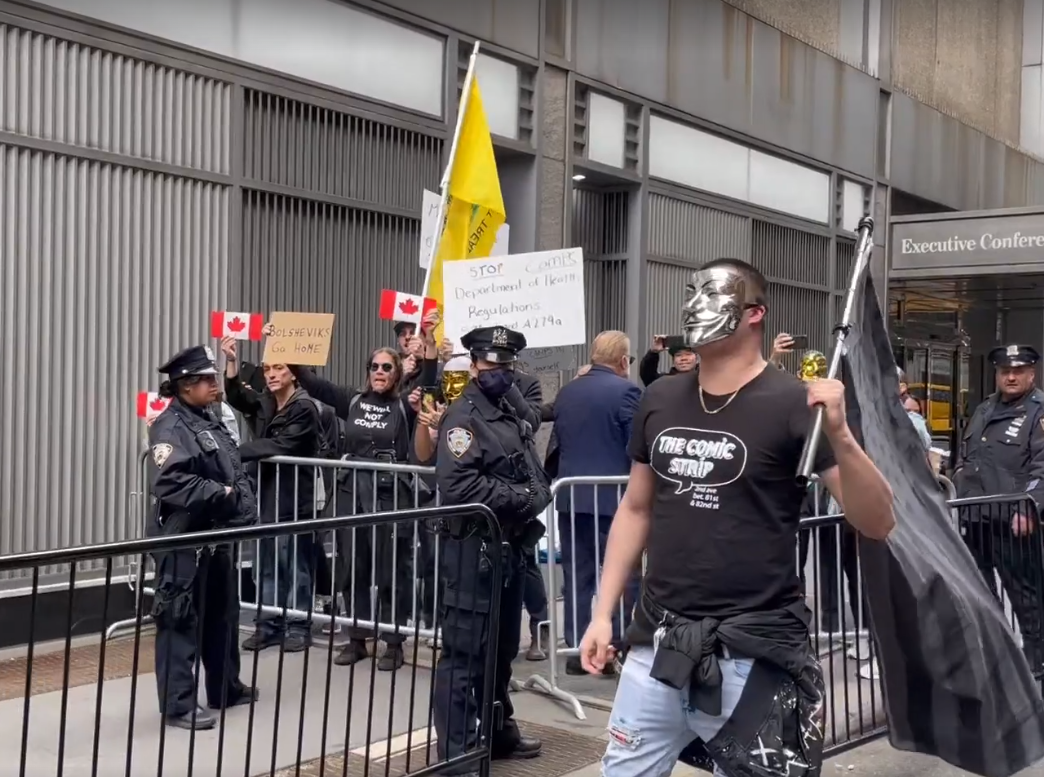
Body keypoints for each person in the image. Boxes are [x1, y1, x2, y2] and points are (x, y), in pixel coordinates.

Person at [581, 259, 895, 776]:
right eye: (691, 293)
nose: (694, 306)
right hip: (657, 644)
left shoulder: (795, 404)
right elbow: (636, 508)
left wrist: (841, 435)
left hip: (754, 655)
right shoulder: (659, 397)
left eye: (712, 295)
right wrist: (601, 613)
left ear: (755, 313)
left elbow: (878, 520)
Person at [432, 326, 552, 776]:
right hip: (473, 552)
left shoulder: (507, 411)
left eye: (506, 365)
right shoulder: (463, 418)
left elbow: (532, 467)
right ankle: (457, 754)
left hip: (510, 549)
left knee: (502, 650)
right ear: (474, 364)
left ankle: (498, 732)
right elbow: (459, 485)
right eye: (490, 364)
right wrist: (521, 497)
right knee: (465, 653)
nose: (499, 372)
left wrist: (535, 492)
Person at [294, 345, 430, 670]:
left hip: (389, 492)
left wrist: (429, 353)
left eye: (386, 367)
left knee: (391, 568)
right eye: (374, 366)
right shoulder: (352, 400)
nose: (379, 372)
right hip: (351, 490)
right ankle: (357, 638)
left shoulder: (404, 404)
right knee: (351, 565)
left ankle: (393, 642)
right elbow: (313, 384)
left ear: (397, 373)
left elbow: (431, 382)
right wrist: (288, 353)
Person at [146, 345, 259, 730]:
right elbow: (169, 481)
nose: (215, 384)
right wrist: (221, 495)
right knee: (180, 619)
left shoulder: (205, 418)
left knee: (221, 613)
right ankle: (178, 705)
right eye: (208, 379)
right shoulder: (171, 426)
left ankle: (225, 686)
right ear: (185, 385)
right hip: (184, 540)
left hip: (213, 535)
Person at [222, 337, 322, 653]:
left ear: (293, 372)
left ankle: (297, 625)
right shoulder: (267, 401)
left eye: (278, 368)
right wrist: (231, 362)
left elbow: (281, 445)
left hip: (294, 498)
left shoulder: (304, 407)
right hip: (267, 495)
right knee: (266, 563)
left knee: (295, 565)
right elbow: (238, 396)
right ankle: (268, 624)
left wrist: (236, 452)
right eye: (267, 369)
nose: (270, 374)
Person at [552, 330, 642, 674]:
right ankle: (613, 645)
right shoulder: (627, 391)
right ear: (622, 360)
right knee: (621, 575)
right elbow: (637, 446)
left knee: (577, 574)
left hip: (572, 497)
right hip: (615, 499)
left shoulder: (568, 391)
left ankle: (577, 646)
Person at [952, 343, 1044, 671]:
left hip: (1012, 520)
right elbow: (968, 453)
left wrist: (1028, 508)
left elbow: (1042, 467)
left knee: (1027, 598)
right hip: (974, 516)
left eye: (1018, 371)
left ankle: (1037, 667)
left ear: (1031, 373)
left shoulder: (1038, 411)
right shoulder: (985, 408)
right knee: (980, 593)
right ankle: (997, 659)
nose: (1011, 377)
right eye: (1005, 371)